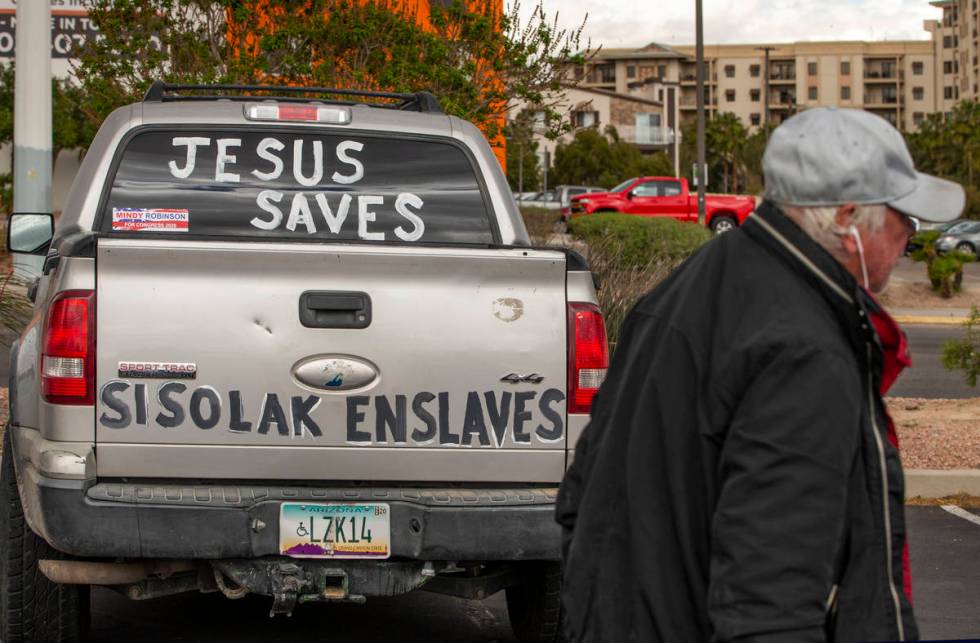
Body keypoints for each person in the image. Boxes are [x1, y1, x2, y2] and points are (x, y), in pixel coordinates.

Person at [556, 107, 964, 643]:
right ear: (846, 218)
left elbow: (579, 503)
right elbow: (771, 601)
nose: (911, 232)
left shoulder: (690, 288)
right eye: (901, 216)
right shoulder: (802, 347)